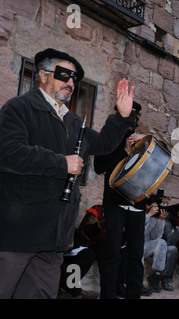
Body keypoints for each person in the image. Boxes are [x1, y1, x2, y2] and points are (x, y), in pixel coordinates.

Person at [0, 48, 135, 299]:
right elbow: (7, 153)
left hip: (54, 239)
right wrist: (61, 163)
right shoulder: (19, 108)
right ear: (43, 76)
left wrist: (122, 116)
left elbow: (104, 144)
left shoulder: (73, 122)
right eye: (64, 76)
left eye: (75, 79)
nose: (71, 83)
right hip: (17, 234)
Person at [93, 102, 148, 299]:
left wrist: (146, 148)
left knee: (136, 255)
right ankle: (108, 295)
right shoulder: (108, 137)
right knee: (112, 253)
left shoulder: (142, 140)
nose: (133, 119)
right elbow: (99, 167)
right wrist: (124, 150)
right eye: (129, 115)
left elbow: (151, 172)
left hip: (137, 203)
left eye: (135, 116)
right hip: (115, 202)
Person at [58, 229, 98, 299]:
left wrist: (71, 242)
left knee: (87, 255)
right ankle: (74, 291)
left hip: (64, 247)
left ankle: (72, 288)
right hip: (49, 251)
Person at [143, 198, 169, 293]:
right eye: (155, 206)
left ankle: (156, 276)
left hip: (147, 246)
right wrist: (148, 215)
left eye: (158, 206)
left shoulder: (154, 219)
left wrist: (161, 220)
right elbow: (137, 233)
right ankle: (138, 284)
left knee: (161, 242)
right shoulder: (140, 215)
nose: (157, 208)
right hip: (134, 245)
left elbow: (155, 237)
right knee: (137, 249)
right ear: (147, 206)